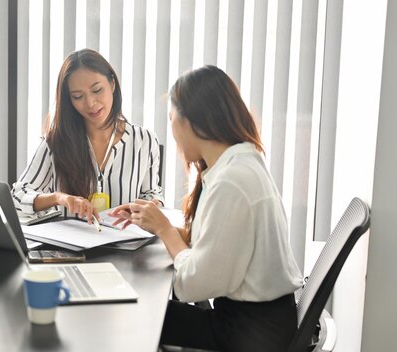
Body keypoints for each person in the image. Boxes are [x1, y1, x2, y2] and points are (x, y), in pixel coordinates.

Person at [110, 65, 304, 351]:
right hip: (258, 321)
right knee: (140, 307)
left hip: (251, 334)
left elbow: (191, 286)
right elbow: (214, 244)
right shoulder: (240, 164)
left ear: (193, 122)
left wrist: (164, 229)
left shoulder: (232, 182)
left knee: (137, 312)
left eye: (172, 119)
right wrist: (155, 223)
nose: (172, 132)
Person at [12, 48, 163, 223]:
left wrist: (149, 206)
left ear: (112, 84)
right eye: (78, 96)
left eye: (97, 90)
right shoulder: (56, 142)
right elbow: (17, 197)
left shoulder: (144, 140)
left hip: (126, 247)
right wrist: (58, 198)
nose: (90, 103)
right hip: (68, 248)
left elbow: (151, 193)